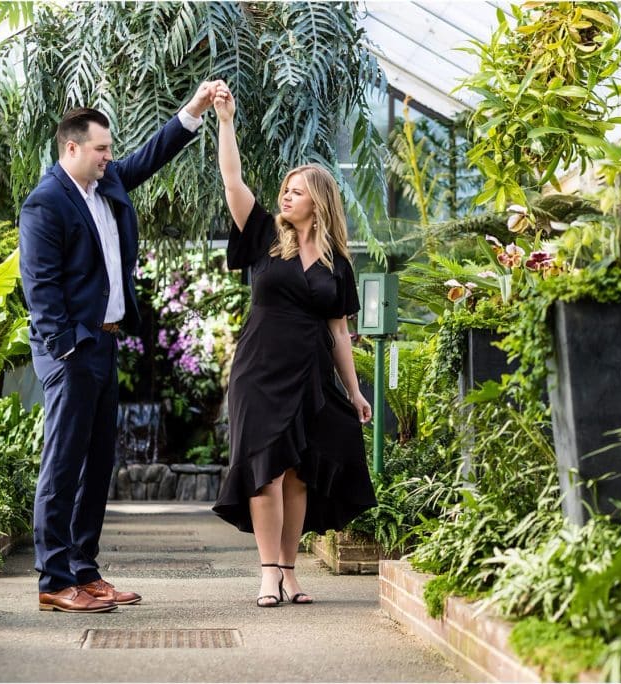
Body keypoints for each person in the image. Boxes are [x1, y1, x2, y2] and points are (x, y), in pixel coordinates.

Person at [19, 82, 217, 613]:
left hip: (105, 344)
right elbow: (40, 288)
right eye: (101, 148)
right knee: (63, 465)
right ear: (72, 148)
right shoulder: (45, 203)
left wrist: (193, 110)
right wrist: (65, 350)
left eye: (110, 148)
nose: (110, 156)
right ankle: (53, 580)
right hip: (72, 352)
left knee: (98, 463)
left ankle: (84, 571)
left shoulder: (106, 184)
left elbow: (152, 154)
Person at [209, 83, 378, 607]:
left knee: (298, 476)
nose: (286, 195)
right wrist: (226, 122)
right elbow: (232, 179)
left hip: (310, 374)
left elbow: (339, 333)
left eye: (297, 191)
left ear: (318, 203)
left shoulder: (337, 264)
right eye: (285, 188)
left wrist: (354, 391)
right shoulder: (263, 234)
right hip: (259, 371)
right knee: (265, 472)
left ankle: (290, 572)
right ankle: (267, 575)